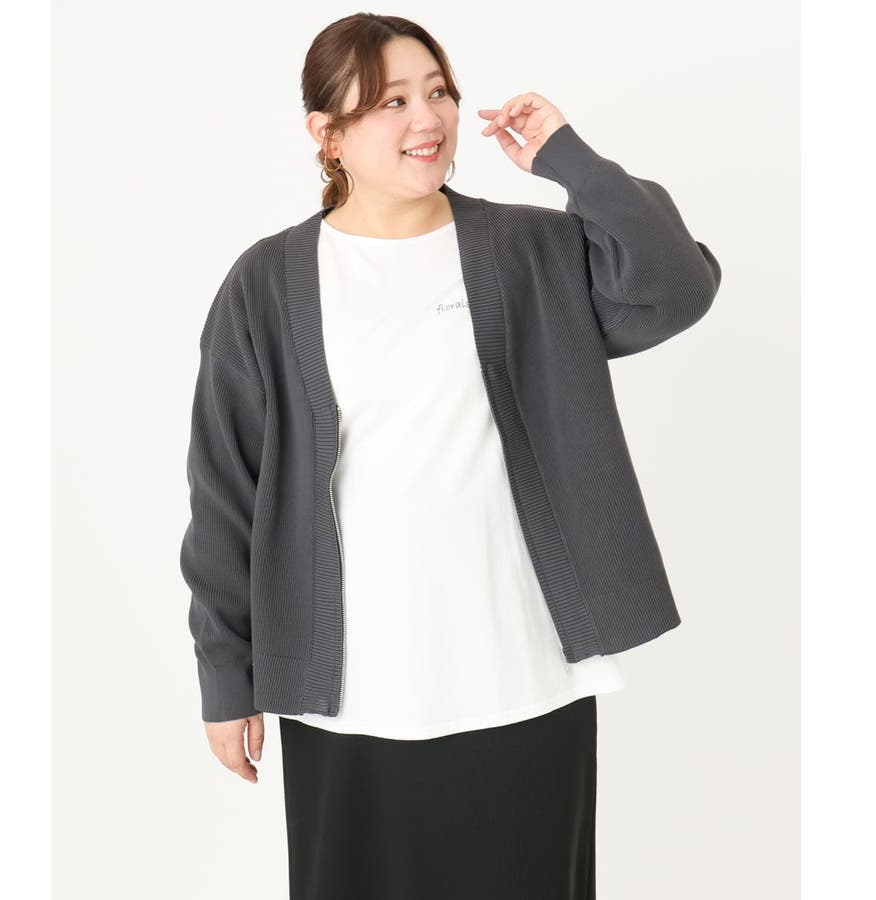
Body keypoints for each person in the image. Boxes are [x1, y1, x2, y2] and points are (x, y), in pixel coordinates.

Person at [180, 13, 722, 900]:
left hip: (522, 671)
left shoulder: (530, 250)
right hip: (351, 690)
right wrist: (224, 675)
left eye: (438, 92)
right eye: (391, 101)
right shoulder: (268, 283)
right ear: (327, 133)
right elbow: (224, 489)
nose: (426, 118)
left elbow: (677, 286)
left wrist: (568, 159)